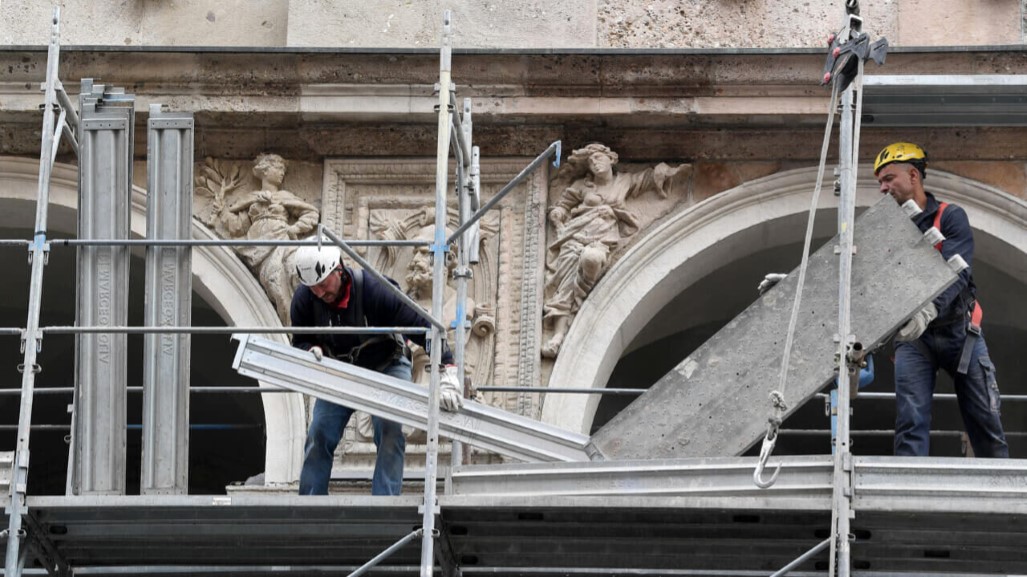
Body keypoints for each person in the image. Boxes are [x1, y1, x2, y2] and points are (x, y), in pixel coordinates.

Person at [290, 243, 465, 495]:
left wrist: (447, 368)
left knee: (391, 427)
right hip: (340, 369)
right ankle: (309, 501)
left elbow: (423, 328)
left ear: (339, 269)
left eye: (323, 284)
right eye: (312, 287)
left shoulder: (375, 290)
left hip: (387, 364)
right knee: (320, 432)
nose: (318, 293)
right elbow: (300, 339)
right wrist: (308, 351)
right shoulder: (305, 298)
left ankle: (385, 498)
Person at [874, 142, 1008, 458]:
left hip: (961, 333)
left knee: (984, 418)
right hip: (915, 340)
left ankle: (1001, 489)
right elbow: (859, 278)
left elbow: (956, 271)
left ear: (912, 175)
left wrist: (929, 309)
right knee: (910, 419)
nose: (883, 188)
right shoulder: (886, 230)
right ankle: (909, 492)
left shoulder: (950, 216)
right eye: (880, 182)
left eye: (889, 178)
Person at [542, 144, 683, 357]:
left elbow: (647, 179)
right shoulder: (583, 185)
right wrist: (558, 217)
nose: (595, 163)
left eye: (598, 158)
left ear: (612, 159)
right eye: (590, 161)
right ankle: (559, 334)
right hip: (575, 236)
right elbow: (562, 206)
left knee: (592, 258)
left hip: (603, 238)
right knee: (565, 286)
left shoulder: (624, 181)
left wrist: (665, 170)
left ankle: (585, 297)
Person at [221, 153, 320, 324]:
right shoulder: (251, 198)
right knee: (276, 287)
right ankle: (291, 328)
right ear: (265, 171)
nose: (282, 172)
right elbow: (237, 227)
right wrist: (223, 210)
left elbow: (311, 212)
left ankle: (305, 318)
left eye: (283, 169)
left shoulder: (284, 196)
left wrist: (293, 228)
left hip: (282, 241)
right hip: (258, 248)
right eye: (278, 168)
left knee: (295, 272)